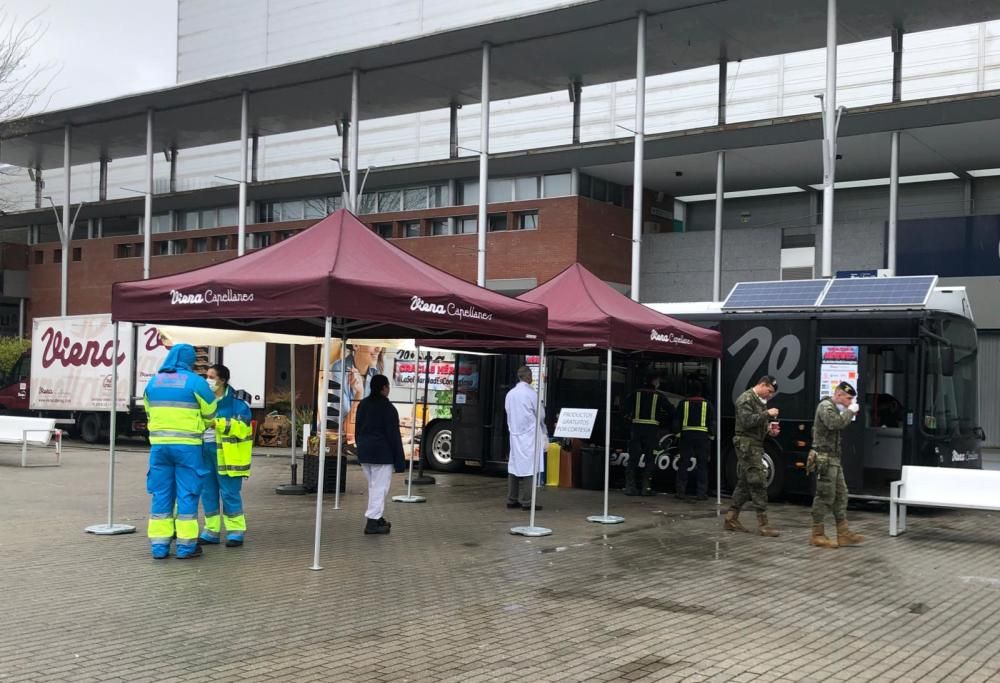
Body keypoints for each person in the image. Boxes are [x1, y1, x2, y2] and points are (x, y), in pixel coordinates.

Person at [143, 344, 218, 559]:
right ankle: (186, 547)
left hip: (159, 448)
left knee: (161, 494)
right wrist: (200, 426)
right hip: (188, 448)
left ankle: (159, 546)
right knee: (188, 493)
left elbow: (148, 411)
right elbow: (211, 412)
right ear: (190, 361)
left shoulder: (153, 381)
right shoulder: (196, 382)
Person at [198, 364, 253, 548]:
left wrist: (217, 423)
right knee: (208, 492)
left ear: (222, 380)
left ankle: (236, 532)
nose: (208, 380)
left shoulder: (237, 400)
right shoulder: (202, 397)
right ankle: (211, 531)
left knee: (229, 493)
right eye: (207, 376)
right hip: (204, 450)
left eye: (211, 376)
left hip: (227, 456)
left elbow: (242, 427)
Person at [808, 381, 865, 549]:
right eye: (848, 398)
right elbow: (835, 424)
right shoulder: (826, 406)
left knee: (841, 494)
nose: (850, 402)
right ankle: (817, 534)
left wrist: (846, 411)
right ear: (838, 395)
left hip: (833, 459)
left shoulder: (834, 408)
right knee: (825, 496)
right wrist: (850, 411)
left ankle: (843, 533)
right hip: (825, 458)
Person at [724, 375, 780, 537]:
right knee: (758, 481)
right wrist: (767, 414)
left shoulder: (759, 401)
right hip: (747, 445)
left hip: (755, 444)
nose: (769, 395)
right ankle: (764, 524)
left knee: (745, 482)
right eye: (768, 391)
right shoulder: (745, 399)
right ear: (762, 385)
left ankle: (731, 518)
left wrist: (769, 430)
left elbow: (757, 424)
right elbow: (747, 421)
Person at [355, 374, 405, 534]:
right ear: (384, 388)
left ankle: (377, 516)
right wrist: (400, 461)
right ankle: (372, 522)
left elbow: (357, 430)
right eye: (388, 386)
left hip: (365, 452)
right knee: (380, 488)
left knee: (373, 486)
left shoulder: (363, 404)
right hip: (382, 454)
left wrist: (360, 447)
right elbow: (393, 436)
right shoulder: (388, 408)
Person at [504, 365, 546, 511]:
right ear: (528, 377)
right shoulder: (531, 394)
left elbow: (508, 412)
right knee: (530, 467)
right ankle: (527, 502)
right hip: (530, 435)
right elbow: (541, 415)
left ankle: (511, 499)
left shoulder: (510, 394)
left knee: (514, 466)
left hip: (514, 434)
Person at [625, 372, 674, 496]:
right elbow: (671, 411)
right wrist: (662, 421)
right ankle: (646, 488)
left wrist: (630, 419)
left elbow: (624, 409)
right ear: (654, 382)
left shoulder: (635, 394)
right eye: (658, 381)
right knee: (649, 459)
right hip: (652, 430)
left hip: (636, 429)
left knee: (633, 458)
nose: (659, 384)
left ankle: (630, 487)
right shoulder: (659, 396)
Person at [675, 381, 715, 501]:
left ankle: (680, 492)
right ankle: (701, 493)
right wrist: (711, 436)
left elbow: (677, 420)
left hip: (686, 436)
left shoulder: (683, 403)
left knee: (683, 464)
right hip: (702, 437)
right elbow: (711, 421)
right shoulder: (707, 404)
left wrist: (677, 434)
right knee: (702, 465)